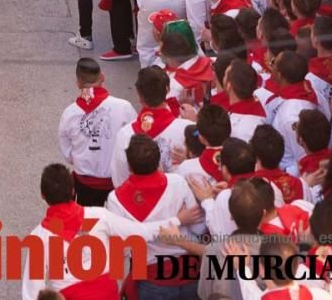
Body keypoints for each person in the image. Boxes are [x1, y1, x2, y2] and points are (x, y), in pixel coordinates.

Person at [20, 163, 197, 300]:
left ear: (43, 195)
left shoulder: (39, 238)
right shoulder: (99, 216)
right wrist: (179, 219)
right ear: (73, 191)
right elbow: (142, 231)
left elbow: (32, 294)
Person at [105, 135, 201, 297]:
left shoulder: (116, 199)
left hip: (152, 277)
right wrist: (178, 220)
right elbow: (198, 228)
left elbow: (123, 248)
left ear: (129, 166)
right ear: (158, 162)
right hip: (189, 271)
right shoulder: (178, 182)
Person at [58, 58, 137, 206]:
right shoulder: (124, 107)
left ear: (78, 83)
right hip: (119, 184)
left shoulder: (69, 114)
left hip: (86, 187)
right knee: (117, 226)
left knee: (89, 225)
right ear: (102, 77)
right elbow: (136, 143)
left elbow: (68, 154)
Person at [110, 67, 189, 186]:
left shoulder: (125, 134)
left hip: (138, 199)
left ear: (138, 94)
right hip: (176, 199)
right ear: (167, 89)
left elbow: (119, 179)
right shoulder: (187, 128)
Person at [270, 51, 322, 171]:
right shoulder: (313, 93)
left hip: (295, 177)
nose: (270, 66)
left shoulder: (291, 115)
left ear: (279, 75)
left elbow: (307, 159)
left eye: (273, 63)